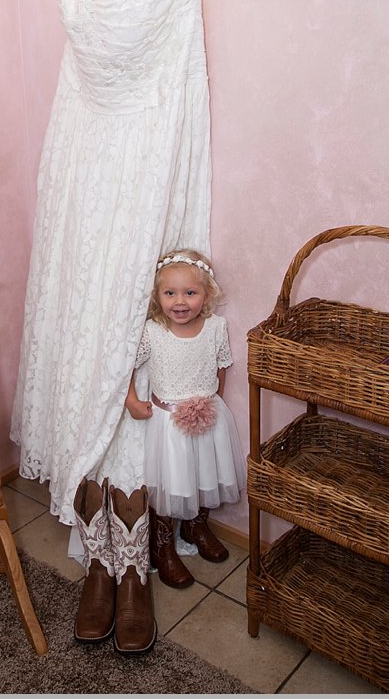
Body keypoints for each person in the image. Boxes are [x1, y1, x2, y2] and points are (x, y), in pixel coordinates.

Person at [124, 250, 247, 588]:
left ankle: (196, 526)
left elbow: (221, 367)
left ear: (206, 294)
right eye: (170, 293)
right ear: (158, 296)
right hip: (168, 426)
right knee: (172, 482)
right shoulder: (153, 331)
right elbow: (125, 367)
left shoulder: (216, 327)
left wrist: (213, 402)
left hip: (208, 420)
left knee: (206, 472)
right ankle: (162, 546)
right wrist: (132, 400)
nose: (180, 301)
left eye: (190, 292)